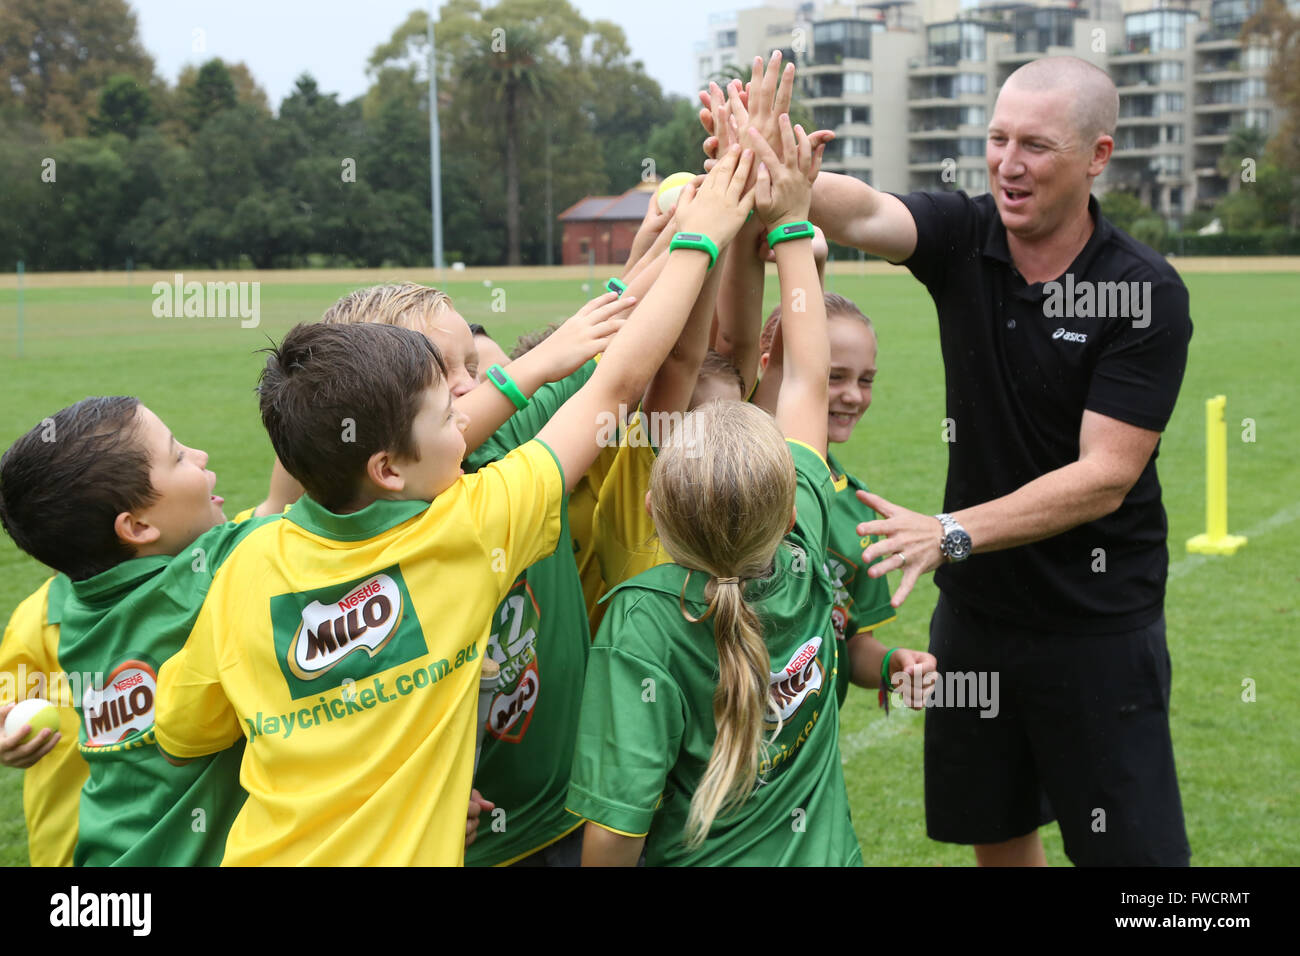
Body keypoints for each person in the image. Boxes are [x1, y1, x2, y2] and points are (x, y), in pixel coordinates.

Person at [152, 144, 759, 865]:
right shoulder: (472, 520)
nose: (477, 391)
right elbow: (619, 381)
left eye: (474, 370)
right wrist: (704, 235)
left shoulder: (250, 560)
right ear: (385, 453)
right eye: (446, 388)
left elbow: (182, 729)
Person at [717, 53, 1192, 866]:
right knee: (994, 827)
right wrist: (766, 160)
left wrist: (952, 533)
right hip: (976, 623)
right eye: (998, 138)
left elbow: (1105, 474)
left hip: (1096, 625)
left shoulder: (1141, 291)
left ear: (1097, 157)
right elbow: (861, 212)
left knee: (1138, 860)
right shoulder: (966, 236)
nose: (1008, 164)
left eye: (1036, 146)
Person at [568, 114, 861, 865]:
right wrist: (791, 221)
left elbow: (615, 832)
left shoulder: (643, 618)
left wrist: (712, 222)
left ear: (651, 508)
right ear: (796, 500)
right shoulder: (805, 547)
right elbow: (803, 374)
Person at [0, 396, 291, 865]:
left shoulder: (71, 606)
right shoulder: (205, 577)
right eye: (178, 455)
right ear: (135, 526)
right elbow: (291, 500)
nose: (201, 456)